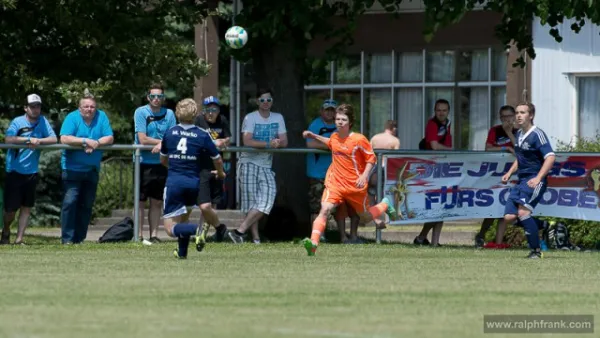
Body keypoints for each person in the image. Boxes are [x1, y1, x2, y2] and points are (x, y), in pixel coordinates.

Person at [301, 103, 397, 256]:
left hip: (355, 186)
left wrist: (364, 175)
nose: (339, 122)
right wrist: (313, 136)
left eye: (343, 119)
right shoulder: (334, 136)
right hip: (335, 184)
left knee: (365, 218)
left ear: (350, 122)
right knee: (324, 209)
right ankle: (313, 244)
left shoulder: (359, 139)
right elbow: (330, 143)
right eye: (338, 119)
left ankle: (385, 204)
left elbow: (371, 158)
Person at [159, 98, 226, 259]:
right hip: (193, 184)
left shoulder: (170, 133)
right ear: (195, 114)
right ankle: (182, 253)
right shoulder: (202, 135)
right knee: (183, 220)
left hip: (175, 183)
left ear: (177, 113)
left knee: (170, 229)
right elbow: (217, 159)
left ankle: (197, 230)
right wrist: (221, 172)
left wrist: (175, 167)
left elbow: (163, 159)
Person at [228, 88, 288, 244]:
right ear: (257, 101)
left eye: (269, 100)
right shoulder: (250, 117)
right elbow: (247, 141)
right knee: (252, 203)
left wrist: (277, 143)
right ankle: (255, 238)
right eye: (262, 100)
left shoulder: (278, 117)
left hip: (266, 165)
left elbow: (285, 141)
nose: (266, 103)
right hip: (248, 162)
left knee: (268, 198)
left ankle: (239, 231)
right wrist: (268, 143)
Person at [1, 94, 57, 245]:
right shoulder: (17, 122)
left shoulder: (43, 121)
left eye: (38, 106)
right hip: (14, 171)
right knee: (10, 211)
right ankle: (6, 230)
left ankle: (19, 240)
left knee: (26, 207)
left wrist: (39, 140)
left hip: (31, 172)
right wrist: (28, 139)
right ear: (26, 108)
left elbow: (54, 139)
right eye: (32, 106)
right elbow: (8, 139)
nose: (35, 109)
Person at [501, 102, 555, 259]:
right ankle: (544, 225)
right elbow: (520, 157)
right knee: (509, 217)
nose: (518, 115)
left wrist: (538, 178)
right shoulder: (518, 134)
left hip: (534, 180)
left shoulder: (537, 134)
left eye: (523, 112)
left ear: (531, 115)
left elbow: (550, 157)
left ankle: (536, 251)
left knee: (523, 212)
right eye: (517, 112)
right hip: (521, 180)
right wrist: (510, 172)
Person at [59, 94, 114, 244]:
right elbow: (64, 138)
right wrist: (85, 141)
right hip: (71, 169)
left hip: (91, 169)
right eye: (86, 106)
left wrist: (96, 142)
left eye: (92, 107)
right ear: (80, 108)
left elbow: (109, 137)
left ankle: (79, 239)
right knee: (70, 203)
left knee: (86, 205)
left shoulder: (101, 117)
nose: (89, 109)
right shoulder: (72, 117)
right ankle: (67, 239)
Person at [306, 99, 360, 243]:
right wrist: (332, 145)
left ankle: (343, 236)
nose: (329, 112)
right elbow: (310, 143)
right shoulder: (316, 124)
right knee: (317, 206)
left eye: (332, 110)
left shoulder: (341, 126)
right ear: (321, 111)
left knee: (339, 207)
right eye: (327, 109)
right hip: (317, 174)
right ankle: (318, 236)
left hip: (338, 174)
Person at [133, 83, 176, 243]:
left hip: (162, 162)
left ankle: (154, 235)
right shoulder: (141, 112)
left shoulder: (170, 113)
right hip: (143, 162)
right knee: (140, 201)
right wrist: (161, 142)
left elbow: (172, 137)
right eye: (153, 96)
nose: (156, 99)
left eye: (159, 96)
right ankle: (138, 235)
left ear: (163, 98)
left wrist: (161, 145)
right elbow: (142, 139)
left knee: (157, 201)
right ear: (148, 97)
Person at [475, 105, 518, 249]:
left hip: (512, 175)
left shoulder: (520, 132)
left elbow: (521, 152)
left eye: (509, 116)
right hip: (494, 176)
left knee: (504, 210)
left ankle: (499, 243)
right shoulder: (495, 131)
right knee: (492, 209)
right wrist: (506, 148)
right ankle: (481, 235)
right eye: (503, 117)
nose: (507, 120)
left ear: (514, 117)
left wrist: (510, 134)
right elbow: (488, 148)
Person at [414, 99, 452, 246]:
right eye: (438, 110)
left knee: (441, 207)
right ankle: (422, 237)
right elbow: (435, 146)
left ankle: (432, 241)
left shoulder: (447, 124)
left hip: (443, 168)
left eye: (444, 110)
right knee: (436, 208)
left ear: (448, 111)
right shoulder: (432, 124)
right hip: (431, 170)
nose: (441, 113)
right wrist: (451, 151)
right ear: (434, 111)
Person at [194, 95, 231, 242]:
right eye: (208, 109)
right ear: (203, 111)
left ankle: (206, 232)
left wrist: (223, 141)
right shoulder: (198, 121)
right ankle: (201, 230)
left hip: (217, 166)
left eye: (214, 109)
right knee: (204, 203)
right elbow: (195, 138)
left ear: (218, 110)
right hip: (201, 166)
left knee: (213, 201)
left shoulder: (223, 120)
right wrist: (213, 142)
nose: (211, 113)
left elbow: (228, 138)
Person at [368, 120, 400, 229]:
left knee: (372, 193)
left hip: (373, 169)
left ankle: (375, 218)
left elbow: (368, 153)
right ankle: (386, 218)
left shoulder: (375, 138)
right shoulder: (394, 140)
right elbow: (395, 158)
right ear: (393, 128)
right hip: (385, 168)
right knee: (385, 194)